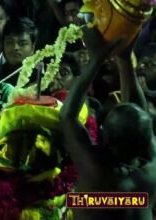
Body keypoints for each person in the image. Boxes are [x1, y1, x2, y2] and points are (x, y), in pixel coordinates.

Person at [60, 27, 156, 220]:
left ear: (103, 135)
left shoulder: (98, 174)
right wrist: (125, 58)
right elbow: (138, 112)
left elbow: (68, 116)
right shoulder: (150, 168)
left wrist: (96, 59)